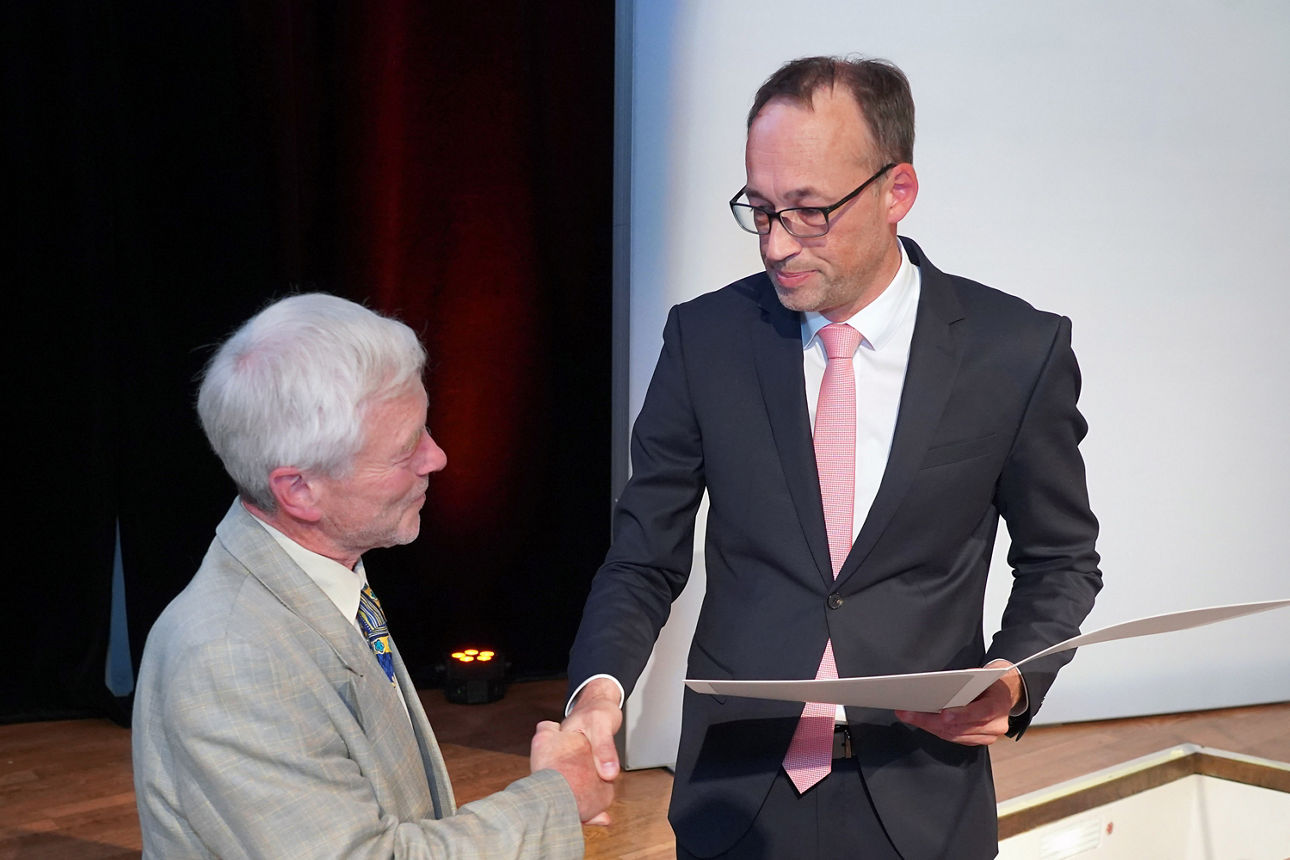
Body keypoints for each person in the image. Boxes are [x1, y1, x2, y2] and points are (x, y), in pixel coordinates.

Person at [563, 56, 1102, 859]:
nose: (776, 244)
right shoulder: (705, 341)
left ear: (897, 192)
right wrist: (597, 694)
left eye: (809, 211)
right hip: (735, 796)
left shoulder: (1014, 350)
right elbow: (643, 558)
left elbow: (1060, 559)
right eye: (761, 209)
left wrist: (1015, 678)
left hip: (923, 796)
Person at [132, 293, 610, 858]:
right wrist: (555, 797)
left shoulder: (320, 574)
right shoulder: (232, 658)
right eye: (406, 448)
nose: (437, 458)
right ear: (300, 490)